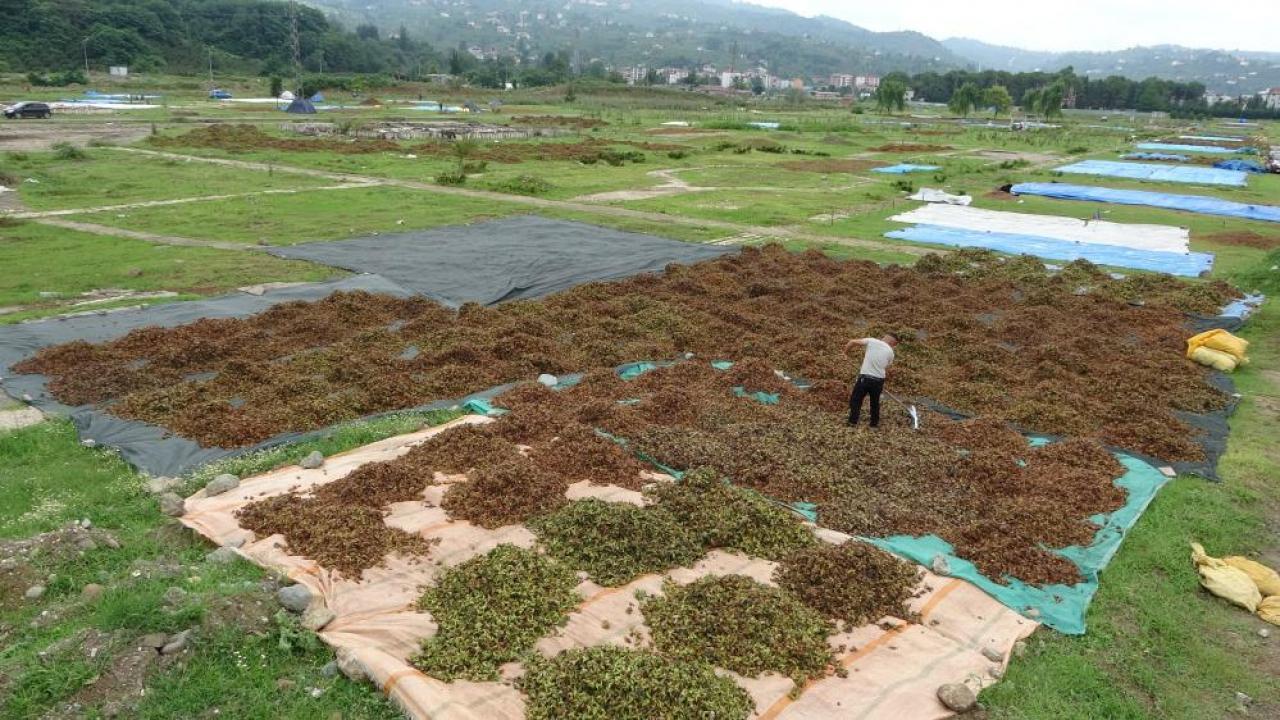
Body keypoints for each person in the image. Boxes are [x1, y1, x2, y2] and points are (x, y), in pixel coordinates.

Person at [844, 334, 898, 427]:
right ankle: (873, 424)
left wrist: (845, 353)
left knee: (856, 400)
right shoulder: (891, 352)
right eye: (895, 344)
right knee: (875, 403)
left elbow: (852, 342)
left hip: (864, 378)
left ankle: (852, 422)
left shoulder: (872, 341)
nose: (894, 346)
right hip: (879, 381)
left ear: (884, 338)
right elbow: (886, 366)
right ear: (892, 342)